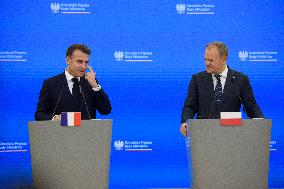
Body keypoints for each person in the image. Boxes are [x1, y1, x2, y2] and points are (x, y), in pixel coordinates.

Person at [180, 41, 263, 137]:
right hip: (204, 135)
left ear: (223, 59)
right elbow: (189, 106)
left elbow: (251, 106)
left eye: (211, 60)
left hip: (231, 135)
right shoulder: (197, 79)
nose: (207, 63)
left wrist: (260, 121)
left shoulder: (240, 79)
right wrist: (185, 122)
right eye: (205, 59)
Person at [35, 44, 112, 121]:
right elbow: (39, 115)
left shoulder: (91, 82)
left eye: (86, 62)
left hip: (87, 132)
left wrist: (95, 87)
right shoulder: (51, 83)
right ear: (68, 60)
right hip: (61, 131)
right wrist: (55, 118)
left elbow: (106, 111)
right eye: (79, 62)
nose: (84, 66)